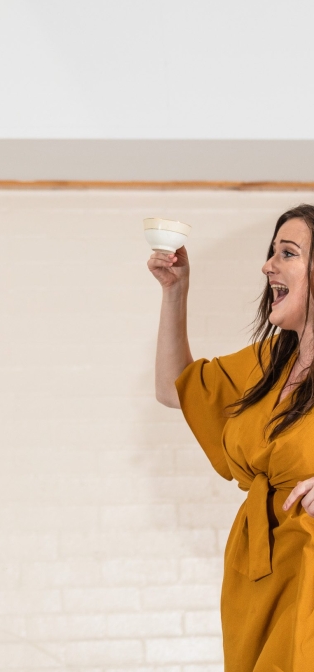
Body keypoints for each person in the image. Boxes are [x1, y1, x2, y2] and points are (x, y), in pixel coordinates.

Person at [150, 204, 314, 671]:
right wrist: (175, 292)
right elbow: (173, 389)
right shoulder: (269, 362)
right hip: (256, 570)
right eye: (272, 252)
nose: (268, 265)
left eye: (288, 252)